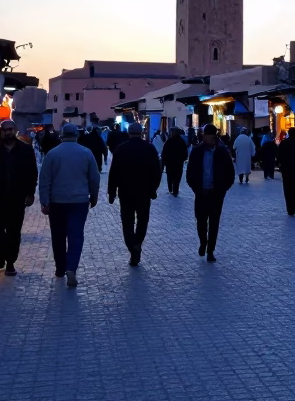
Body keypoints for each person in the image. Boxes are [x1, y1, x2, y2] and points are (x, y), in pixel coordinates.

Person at [38, 123, 101, 287]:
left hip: (57, 201)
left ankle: (60, 267)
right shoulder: (86, 153)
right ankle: (71, 267)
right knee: (76, 235)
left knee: (58, 235)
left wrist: (44, 200)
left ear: (61, 136)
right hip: (79, 201)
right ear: (77, 135)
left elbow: (44, 179)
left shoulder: (52, 154)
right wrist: (93, 196)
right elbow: (94, 178)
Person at [0, 120, 38, 276]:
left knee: (13, 231)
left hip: (17, 198)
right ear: (1, 132)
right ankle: (2, 252)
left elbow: (32, 173)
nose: (7, 132)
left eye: (10, 129)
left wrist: (30, 193)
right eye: (4, 130)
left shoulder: (25, 150)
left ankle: (10, 262)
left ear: (15, 130)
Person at [108, 122, 162, 266]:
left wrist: (112, 192)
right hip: (144, 192)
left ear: (129, 132)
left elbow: (113, 172)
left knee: (127, 221)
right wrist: (153, 188)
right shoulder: (149, 148)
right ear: (141, 133)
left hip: (125, 192)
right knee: (143, 220)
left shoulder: (121, 149)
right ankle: (137, 243)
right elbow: (157, 170)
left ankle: (132, 246)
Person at [185, 123, 234, 262]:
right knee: (201, 220)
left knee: (214, 222)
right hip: (201, 193)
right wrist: (196, 189)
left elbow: (230, 173)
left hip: (216, 194)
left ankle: (210, 250)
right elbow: (190, 174)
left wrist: (222, 190)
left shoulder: (222, 152)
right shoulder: (197, 151)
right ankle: (203, 242)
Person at [161, 129, 188, 196]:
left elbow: (164, 152)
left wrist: (164, 161)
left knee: (170, 176)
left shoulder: (168, 141)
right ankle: (175, 190)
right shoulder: (182, 142)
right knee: (177, 177)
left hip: (169, 163)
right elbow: (185, 152)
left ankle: (170, 189)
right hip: (179, 163)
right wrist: (183, 159)